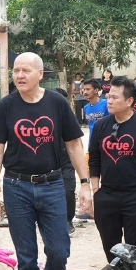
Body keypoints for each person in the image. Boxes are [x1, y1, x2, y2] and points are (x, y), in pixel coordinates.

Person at [0, 52, 91, 270]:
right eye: (16, 71)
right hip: (16, 187)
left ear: (40, 74)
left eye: (26, 70)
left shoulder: (56, 103)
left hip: (53, 184)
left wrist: (85, 184)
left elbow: (74, 143)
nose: (19, 75)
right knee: (27, 258)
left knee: (59, 251)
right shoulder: (5, 107)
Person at [88, 77, 136, 262]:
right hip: (107, 195)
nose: (109, 101)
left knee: (135, 247)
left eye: (115, 97)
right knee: (110, 245)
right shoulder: (100, 126)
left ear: (129, 101)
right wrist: (96, 190)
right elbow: (94, 158)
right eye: (108, 96)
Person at [54, 88, 80, 235]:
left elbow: (76, 143)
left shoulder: (70, 118)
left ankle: (68, 220)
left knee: (68, 190)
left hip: (67, 160)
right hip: (50, 160)